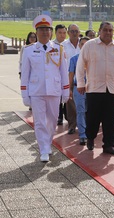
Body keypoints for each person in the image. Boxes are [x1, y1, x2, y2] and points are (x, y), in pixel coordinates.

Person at [76, 21, 114, 155]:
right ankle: (90, 137)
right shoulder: (90, 45)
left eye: (110, 30)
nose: (108, 33)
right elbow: (80, 65)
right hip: (94, 88)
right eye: (105, 30)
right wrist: (80, 84)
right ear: (99, 31)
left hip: (112, 89)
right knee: (93, 118)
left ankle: (108, 145)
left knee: (111, 119)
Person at [20, 15, 70, 162]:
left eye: (47, 29)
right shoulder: (29, 50)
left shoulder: (59, 49)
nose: (45, 32)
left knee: (53, 120)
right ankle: (43, 149)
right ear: (36, 32)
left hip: (54, 90)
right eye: (41, 29)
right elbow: (25, 75)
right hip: (36, 91)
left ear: (51, 32)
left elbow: (63, 72)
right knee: (40, 121)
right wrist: (25, 94)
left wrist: (65, 91)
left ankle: (47, 144)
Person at [68, 37, 90, 145]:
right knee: (80, 111)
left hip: (92, 88)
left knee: (90, 112)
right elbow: (71, 75)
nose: (84, 46)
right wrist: (70, 89)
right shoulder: (74, 59)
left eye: (87, 44)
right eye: (82, 44)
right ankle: (82, 134)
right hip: (79, 88)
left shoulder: (94, 59)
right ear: (79, 46)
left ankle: (89, 132)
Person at [62, 24, 81, 135]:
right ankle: (72, 125)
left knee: (83, 103)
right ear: (68, 32)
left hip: (82, 79)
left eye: (76, 31)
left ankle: (83, 125)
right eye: (72, 31)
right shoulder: (62, 46)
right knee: (70, 103)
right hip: (68, 78)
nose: (74, 33)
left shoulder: (84, 44)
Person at [54, 24, 68, 126]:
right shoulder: (52, 46)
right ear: (55, 33)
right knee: (57, 98)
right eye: (60, 33)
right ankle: (59, 116)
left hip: (67, 75)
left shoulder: (67, 45)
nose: (62, 35)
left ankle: (67, 115)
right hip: (55, 77)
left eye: (64, 33)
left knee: (66, 97)